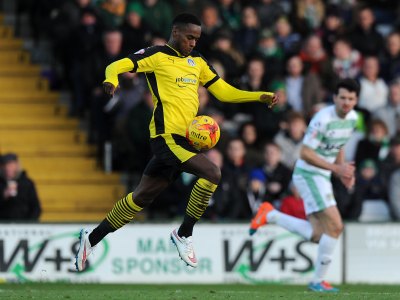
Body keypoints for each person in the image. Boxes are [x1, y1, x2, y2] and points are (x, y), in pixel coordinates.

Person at [75, 13, 278, 271]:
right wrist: (111, 80)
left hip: (186, 140)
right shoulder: (156, 56)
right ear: (176, 32)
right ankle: (184, 233)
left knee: (141, 197)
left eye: (197, 38)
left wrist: (258, 96)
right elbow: (116, 65)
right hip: (166, 137)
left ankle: (91, 239)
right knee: (213, 172)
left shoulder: (198, 62)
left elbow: (223, 91)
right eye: (190, 37)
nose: (194, 43)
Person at [249, 78, 359, 292]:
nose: (346, 102)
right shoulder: (322, 119)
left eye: (351, 99)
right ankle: (317, 281)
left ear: (356, 101)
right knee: (336, 226)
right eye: (343, 97)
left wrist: (343, 168)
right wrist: (338, 170)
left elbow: (340, 144)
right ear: (335, 98)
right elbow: (305, 153)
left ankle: (270, 214)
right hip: (309, 173)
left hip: (322, 175)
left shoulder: (353, 118)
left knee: (319, 234)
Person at [0, 153, 42, 220]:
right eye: (5, 165)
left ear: (17, 165)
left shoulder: (27, 183)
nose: (7, 168)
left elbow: (36, 208)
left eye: (10, 165)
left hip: (23, 226)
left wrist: (28, 223)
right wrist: (3, 196)